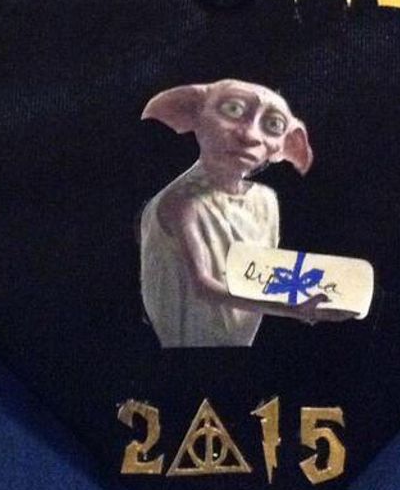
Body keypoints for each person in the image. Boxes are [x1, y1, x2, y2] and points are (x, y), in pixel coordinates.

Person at [139, 78, 350, 346]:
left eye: (273, 125)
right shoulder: (182, 203)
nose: (250, 135)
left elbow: (260, 275)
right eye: (233, 109)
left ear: (286, 145)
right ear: (190, 111)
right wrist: (295, 309)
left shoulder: (264, 201)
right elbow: (203, 287)